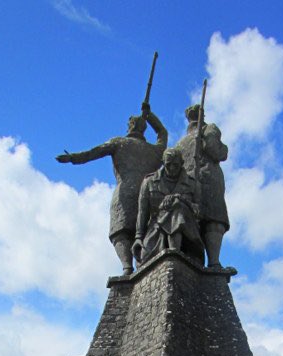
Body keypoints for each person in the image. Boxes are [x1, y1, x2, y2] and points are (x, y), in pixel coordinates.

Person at [56, 104, 167, 274]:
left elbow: (93, 152)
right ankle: (143, 265)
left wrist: (73, 158)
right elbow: (162, 134)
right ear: (144, 128)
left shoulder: (118, 143)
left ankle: (127, 267)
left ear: (130, 126)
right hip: (150, 193)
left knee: (120, 231)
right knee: (146, 229)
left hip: (125, 191)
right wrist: (150, 115)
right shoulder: (155, 151)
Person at [175, 104, 229, 267]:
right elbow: (217, 151)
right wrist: (221, 147)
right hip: (208, 178)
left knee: (193, 222)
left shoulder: (180, 143)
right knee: (214, 220)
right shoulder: (209, 129)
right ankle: (214, 262)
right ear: (202, 115)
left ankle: (192, 261)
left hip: (187, 184)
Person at [132, 148, 205, 265]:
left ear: (182, 163)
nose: (172, 168)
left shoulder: (193, 184)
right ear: (163, 163)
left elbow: (199, 213)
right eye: (168, 164)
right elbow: (143, 211)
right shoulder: (149, 182)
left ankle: (174, 253)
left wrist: (179, 198)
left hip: (187, 232)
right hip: (156, 227)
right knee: (143, 259)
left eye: (175, 165)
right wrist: (138, 237)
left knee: (177, 207)